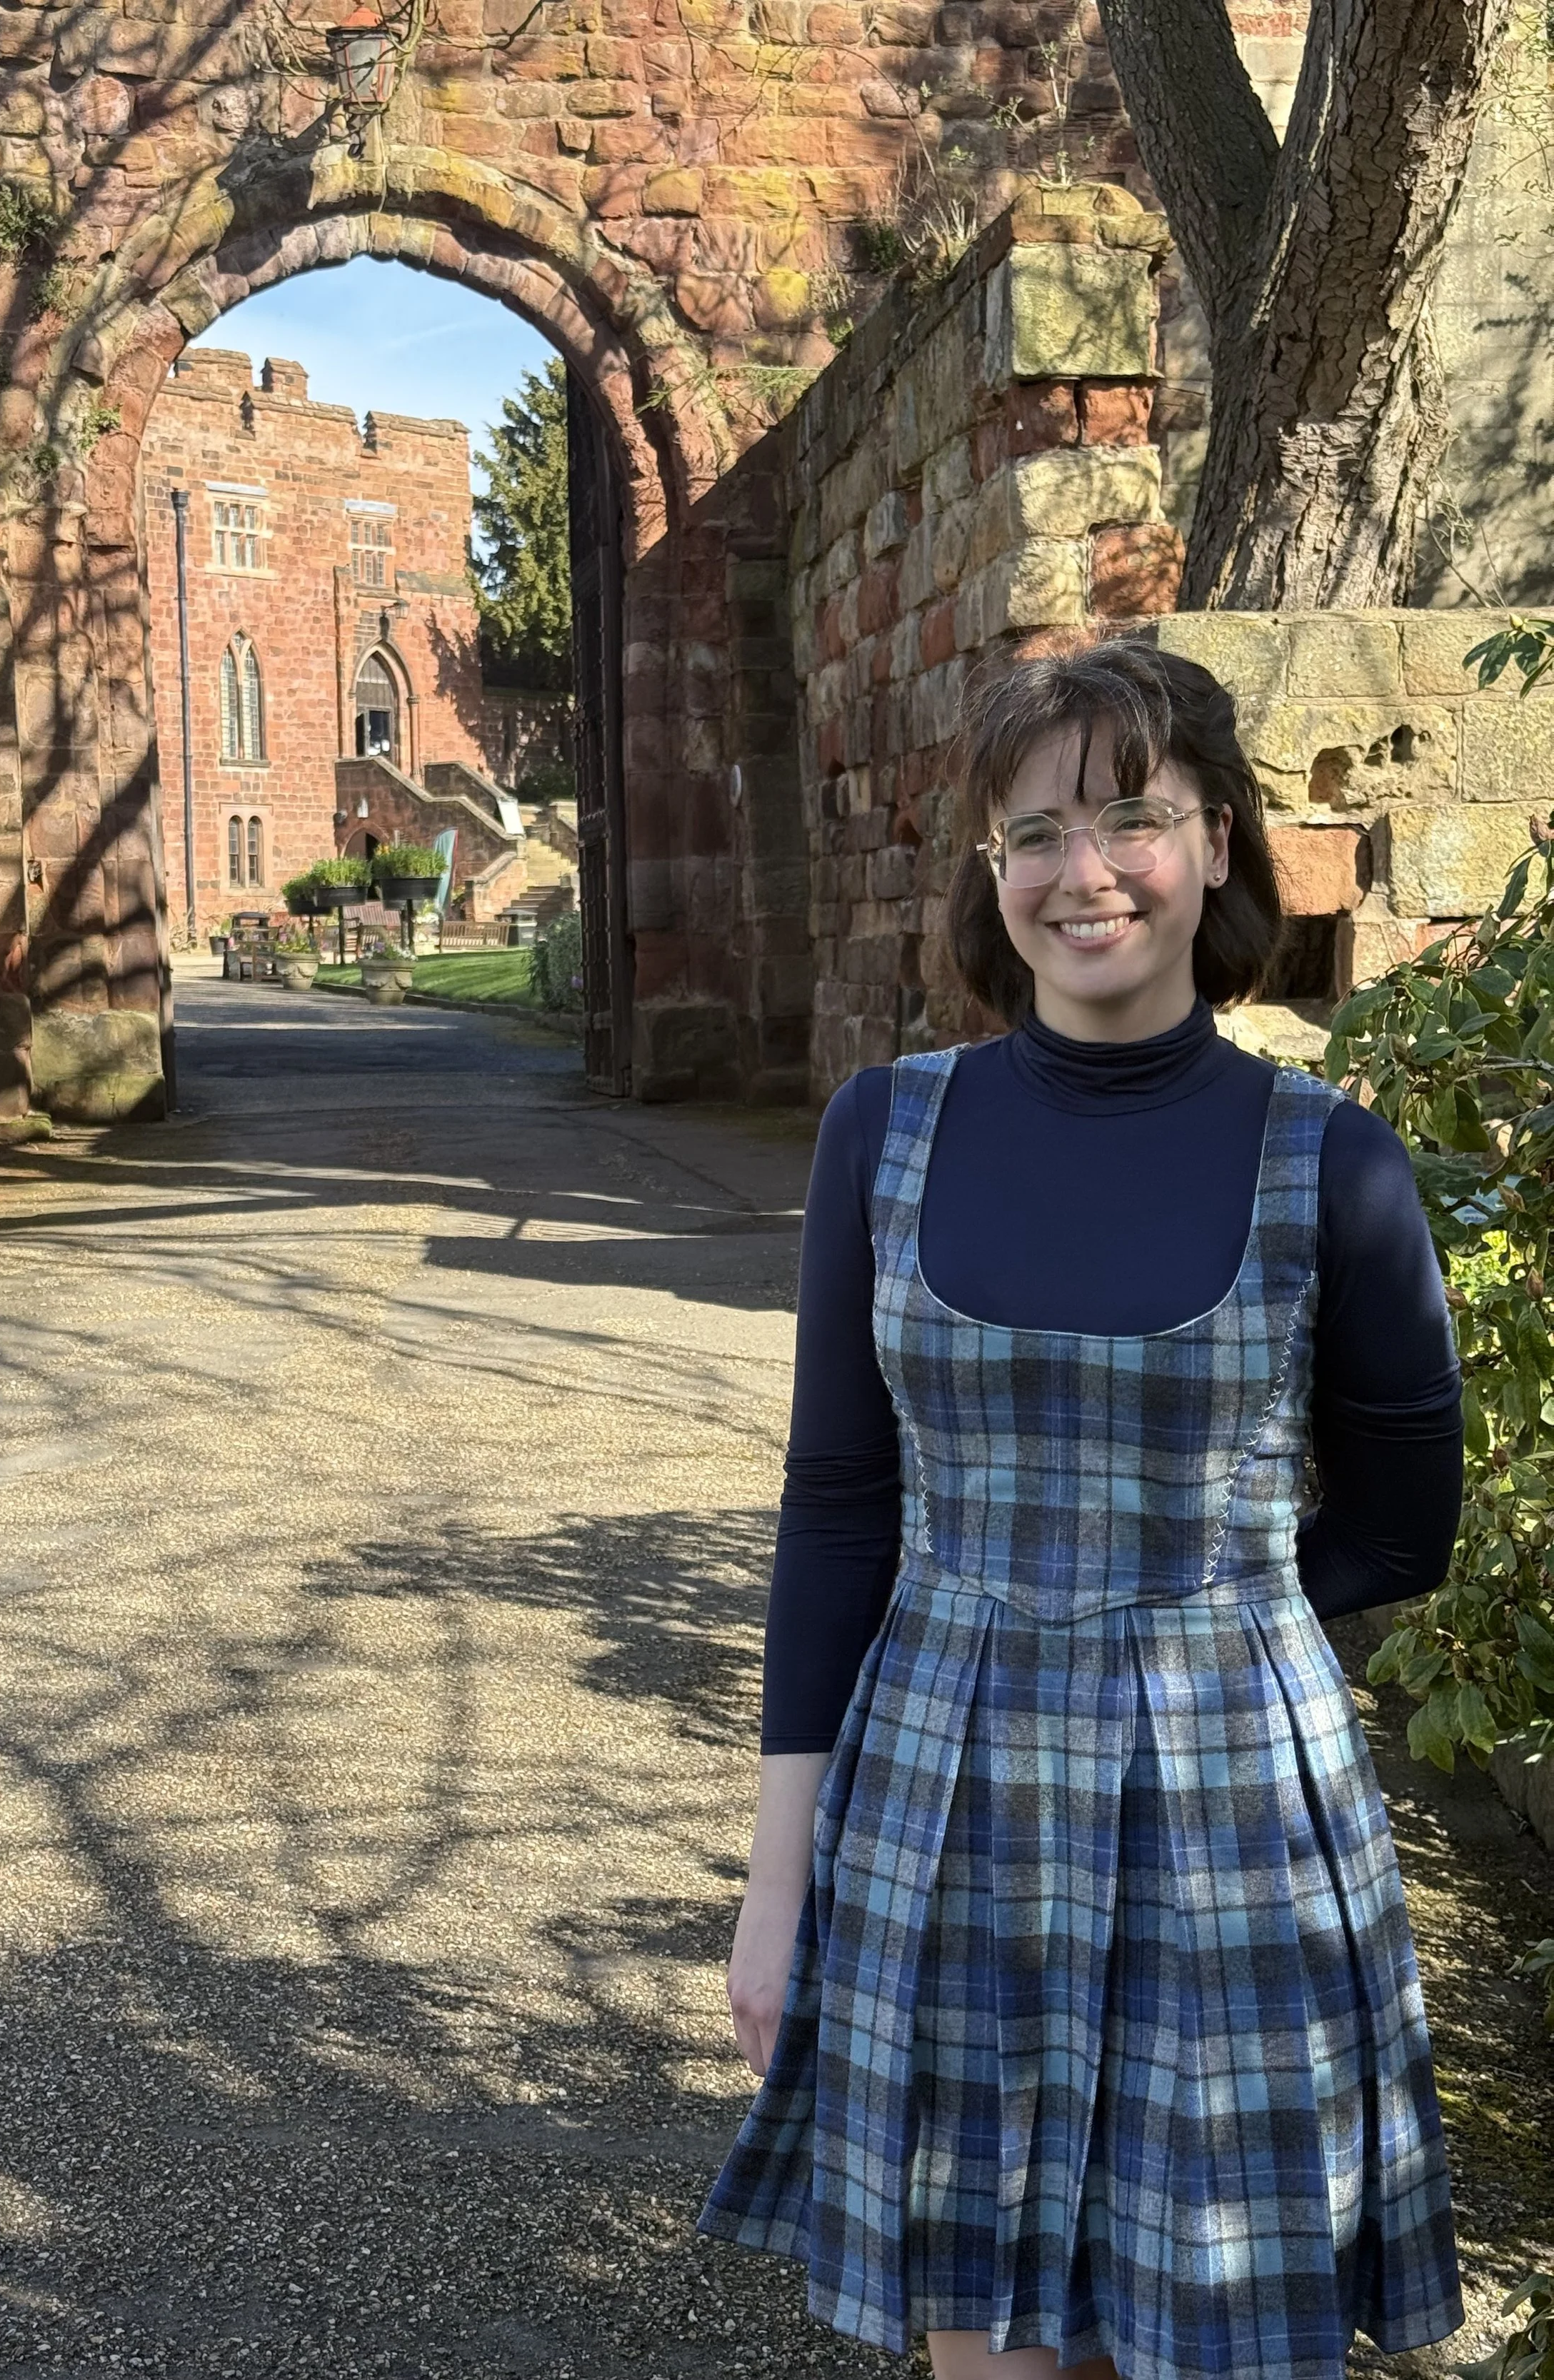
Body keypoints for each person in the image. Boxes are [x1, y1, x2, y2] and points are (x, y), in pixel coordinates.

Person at [698, 643, 1465, 2380]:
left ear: (1214, 845)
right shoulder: (878, 1134)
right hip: (942, 1807)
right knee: (984, 2348)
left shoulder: (1327, 1161)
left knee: (1217, 2326)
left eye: (1132, 814)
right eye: (1029, 832)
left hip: (1230, 1828)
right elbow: (835, 1511)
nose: (1083, 869)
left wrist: (1210, 1615)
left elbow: (1403, 1522)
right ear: (990, 874)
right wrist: (776, 1884)